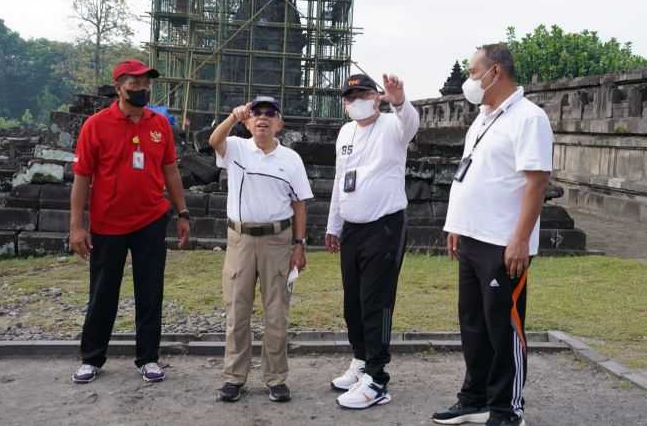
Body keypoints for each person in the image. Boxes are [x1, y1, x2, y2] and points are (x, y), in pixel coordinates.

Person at [431, 44, 553, 426]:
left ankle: (506, 407)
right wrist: (456, 225)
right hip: (472, 236)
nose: (469, 79)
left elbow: (537, 182)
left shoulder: (529, 119)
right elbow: (469, 174)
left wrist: (520, 238)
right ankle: (475, 396)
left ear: (494, 72)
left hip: (503, 241)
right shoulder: (483, 118)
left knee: (504, 326)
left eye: (472, 71)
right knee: (473, 322)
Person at [70, 59, 190, 384]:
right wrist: (77, 225)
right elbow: (82, 177)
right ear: (119, 87)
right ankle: (92, 357)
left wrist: (182, 212)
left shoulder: (159, 124)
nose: (142, 88)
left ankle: (148, 358)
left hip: (151, 219)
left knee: (150, 291)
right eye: (134, 83)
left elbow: (171, 170)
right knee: (103, 292)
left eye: (146, 83)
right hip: (108, 223)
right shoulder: (96, 125)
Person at [209, 96, 312, 404]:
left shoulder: (291, 159)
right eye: (257, 114)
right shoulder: (238, 147)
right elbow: (214, 141)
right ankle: (234, 377)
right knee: (237, 311)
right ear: (249, 121)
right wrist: (232, 117)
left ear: (279, 123)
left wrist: (299, 244)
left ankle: (276, 378)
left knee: (277, 313)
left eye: (270, 114)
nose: (263, 118)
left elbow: (299, 204)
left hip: (277, 241)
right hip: (240, 240)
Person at [325, 73, 420, 410]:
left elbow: (411, 123)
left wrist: (398, 99)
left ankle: (378, 378)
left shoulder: (393, 126)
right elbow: (340, 179)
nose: (355, 101)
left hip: (385, 226)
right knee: (352, 301)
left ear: (375, 96)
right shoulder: (345, 132)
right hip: (352, 227)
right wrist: (334, 224)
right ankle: (361, 360)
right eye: (349, 97)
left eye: (362, 94)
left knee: (375, 301)